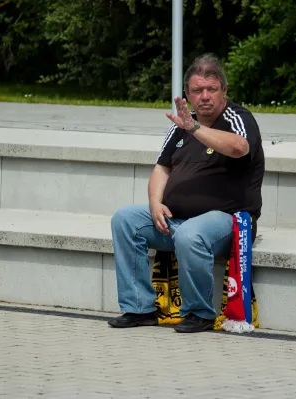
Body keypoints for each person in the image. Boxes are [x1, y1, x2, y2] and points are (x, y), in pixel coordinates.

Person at [108, 53, 265, 333]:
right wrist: (155, 202)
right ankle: (139, 308)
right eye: (197, 91)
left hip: (228, 221)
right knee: (126, 219)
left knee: (191, 233)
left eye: (211, 89)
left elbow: (239, 147)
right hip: (177, 219)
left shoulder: (238, 118)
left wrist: (195, 128)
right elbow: (161, 169)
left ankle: (199, 313)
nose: (205, 96)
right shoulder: (181, 125)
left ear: (224, 91)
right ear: (188, 94)